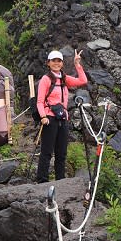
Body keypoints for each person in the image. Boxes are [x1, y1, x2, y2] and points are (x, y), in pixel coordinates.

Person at [35, 49, 88, 183]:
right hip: (49, 118)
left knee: (61, 152)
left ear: (62, 63)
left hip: (63, 118)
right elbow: (40, 101)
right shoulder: (46, 79)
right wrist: (43, 117)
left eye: (59, 61)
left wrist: (77, 64)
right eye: (54, 61)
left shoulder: (64, 78)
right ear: (48, 63)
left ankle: (60, 180)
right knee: (46, 151)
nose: (56, 63)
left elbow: (83, 81)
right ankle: (42, 180)